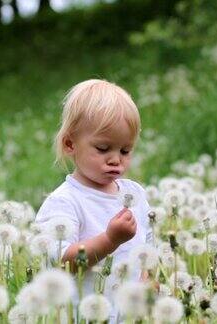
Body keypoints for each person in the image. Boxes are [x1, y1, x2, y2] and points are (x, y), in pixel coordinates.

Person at [34, 79, 154, 322]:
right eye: (103, 148)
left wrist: (149, 280)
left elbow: (148, 249)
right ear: (70, 144)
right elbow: (63, 261)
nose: (115, 160)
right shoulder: (65, 201)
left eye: (125, 151)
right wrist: (110, 240)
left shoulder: (136, 195)